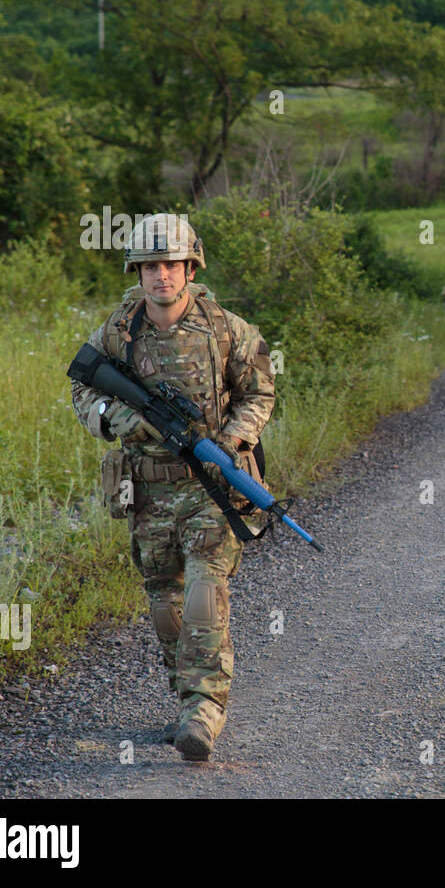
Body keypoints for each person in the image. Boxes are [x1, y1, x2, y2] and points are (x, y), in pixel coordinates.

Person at [70, 214, 275, 761]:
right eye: (151, 266)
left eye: (172, 264)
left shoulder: (227, 328)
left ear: (191, 267)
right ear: (136, 271)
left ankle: (205, 711)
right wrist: (112, 418)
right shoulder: (117, 332)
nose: (162, 275)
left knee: (205, 596)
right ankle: (186, 701)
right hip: (148, 491)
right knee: (165, 605)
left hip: (210, 487)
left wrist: (233, 441)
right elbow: (81, 387)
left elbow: (259, 392)